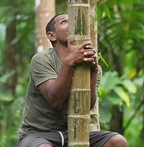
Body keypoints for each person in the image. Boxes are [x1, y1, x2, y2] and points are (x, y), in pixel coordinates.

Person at [16, 13, 127, 147]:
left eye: (73, 20)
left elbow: (86, 108)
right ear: (52, 35)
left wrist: (93, 72)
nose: (72, 24)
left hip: (74, 134)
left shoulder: (90, 64)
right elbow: (55, 100)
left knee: (117, 142)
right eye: (64, 22)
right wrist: (69, 62)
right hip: (38, 135)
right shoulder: (42, 60)